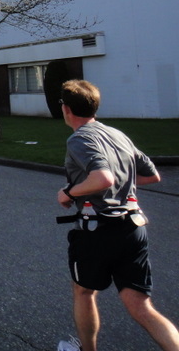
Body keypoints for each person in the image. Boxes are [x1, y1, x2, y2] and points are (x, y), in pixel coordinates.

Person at [56, 79, 179, 351]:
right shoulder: (117, 134)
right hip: (133, 228)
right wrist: (121, 186)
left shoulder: (79, 138)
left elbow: (102, 177)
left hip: (97, 231)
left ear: (66, 109)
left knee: (84, 292)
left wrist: (69, 193)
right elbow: (152, 175)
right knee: (141, 306)